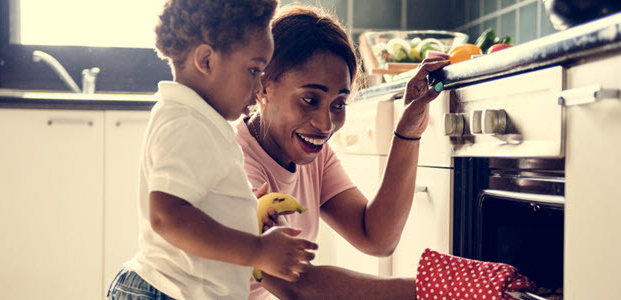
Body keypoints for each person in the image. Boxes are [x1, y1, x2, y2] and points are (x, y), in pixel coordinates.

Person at [106, 1, 318, 299]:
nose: (259, 88)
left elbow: (195, 202)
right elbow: (168, 217)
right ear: (206, 60)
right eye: (254, 70)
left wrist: (239, 209)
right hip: (169, 293)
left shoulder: (195, 119)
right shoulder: (188, 125)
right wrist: (258, 250)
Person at [237, 4, 450, 299]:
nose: (326, 125)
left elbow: (375, 236)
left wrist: (408, 131)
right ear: (263, 86)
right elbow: (295, 285)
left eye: (338, 104)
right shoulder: (237, 164)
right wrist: (436, 291)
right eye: (310, 99)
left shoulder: (314, 156)